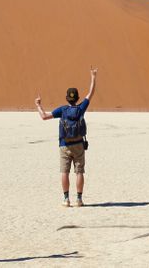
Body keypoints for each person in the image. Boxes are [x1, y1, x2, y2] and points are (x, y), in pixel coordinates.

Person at [35, 67, 97, 207]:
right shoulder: (81, 108)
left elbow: (44, 117)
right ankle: (79, 199)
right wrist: (93, 77)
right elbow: (90, 93)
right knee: (79, 172)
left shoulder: (62, 110)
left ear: (67, 98)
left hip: (64, 144)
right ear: (77, 98)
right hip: (79, 144)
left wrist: (38, 105)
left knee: (64, 172)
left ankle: (66, 199)